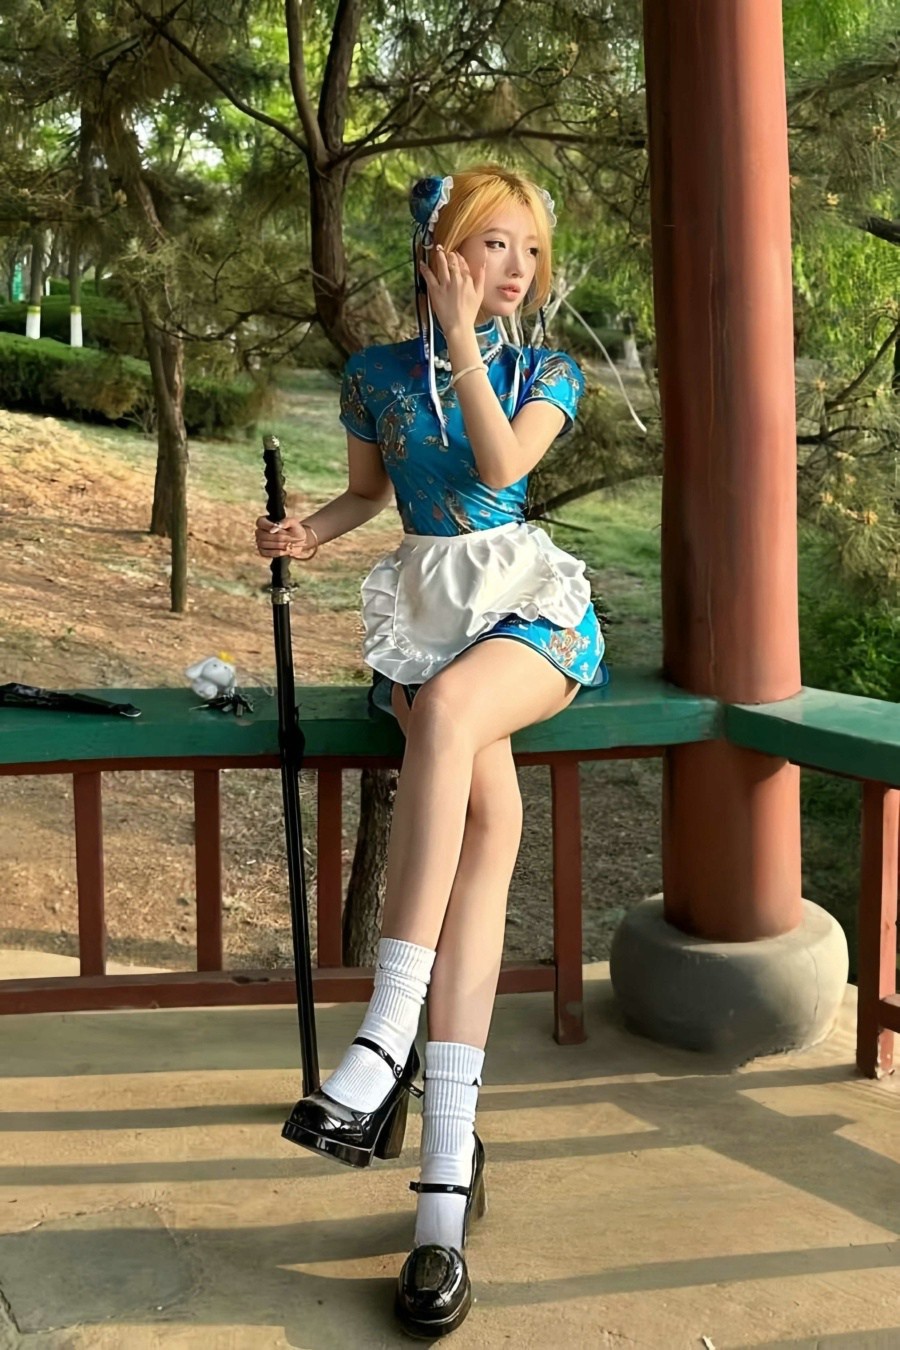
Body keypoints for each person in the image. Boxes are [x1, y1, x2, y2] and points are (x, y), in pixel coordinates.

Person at [255, 163, 607, 1339]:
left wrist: (462, 337)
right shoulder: (372, 377)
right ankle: (443, 1200)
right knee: (489, 833)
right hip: (427, 609)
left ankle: (381, 1037)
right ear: (441, 250)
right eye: (494, 244)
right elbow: (371, 494)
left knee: (451, 715)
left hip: (526, 612)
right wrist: (308, 530)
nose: (517, 269)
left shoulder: (545, 372)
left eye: (529, 252)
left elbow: (502, 468)